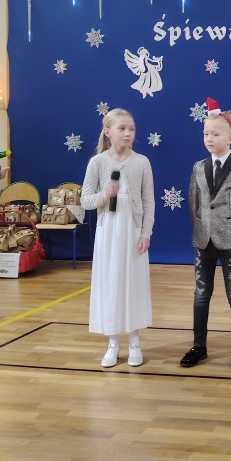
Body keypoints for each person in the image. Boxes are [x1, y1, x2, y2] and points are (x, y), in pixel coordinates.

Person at [180, 98, 231, 372]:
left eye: (215, 134)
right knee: (201, 294)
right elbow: (193, 202)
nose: (209, 139)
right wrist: (200, 228)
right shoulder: (197, 167)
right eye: (206, 134)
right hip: (203, 240)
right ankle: (198, 346)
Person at [81, 108, 154, 368]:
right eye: (122, 128)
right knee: (110, 283)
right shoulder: (97, 163)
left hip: (132, 231)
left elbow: (148, 201)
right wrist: (105, 194)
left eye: (131, 129)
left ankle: (135, 341)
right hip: (108, 232)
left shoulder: (142, 162)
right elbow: (86, 200)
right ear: (107, 132)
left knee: (133, 283)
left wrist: (146, 232)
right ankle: (113, 342)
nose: (127, 133)